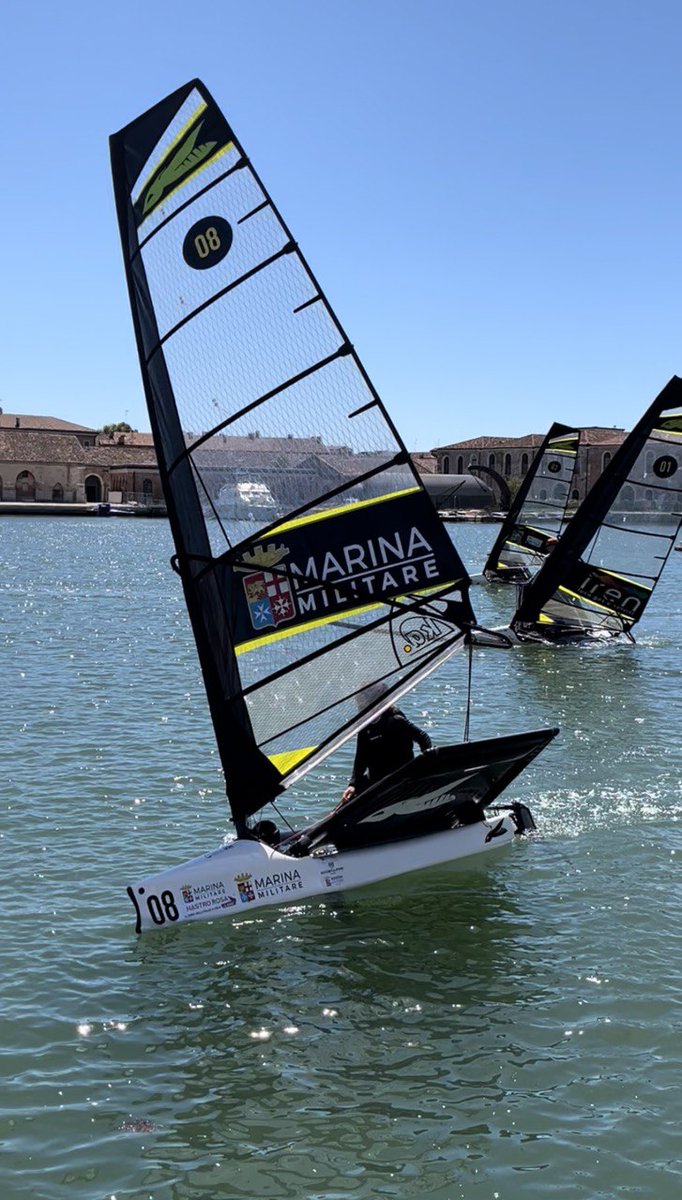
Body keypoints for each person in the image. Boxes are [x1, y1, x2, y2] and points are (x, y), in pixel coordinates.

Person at [340, 700, 432, 805]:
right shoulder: (365, 729)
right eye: (359, 703)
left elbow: (423, 737)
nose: (360, 706)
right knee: (348, 801)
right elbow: (361, 759)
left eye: (362, 702)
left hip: (401, 777)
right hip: (377, 780)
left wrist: (427, 762)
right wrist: (353, 785)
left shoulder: (396, 720)